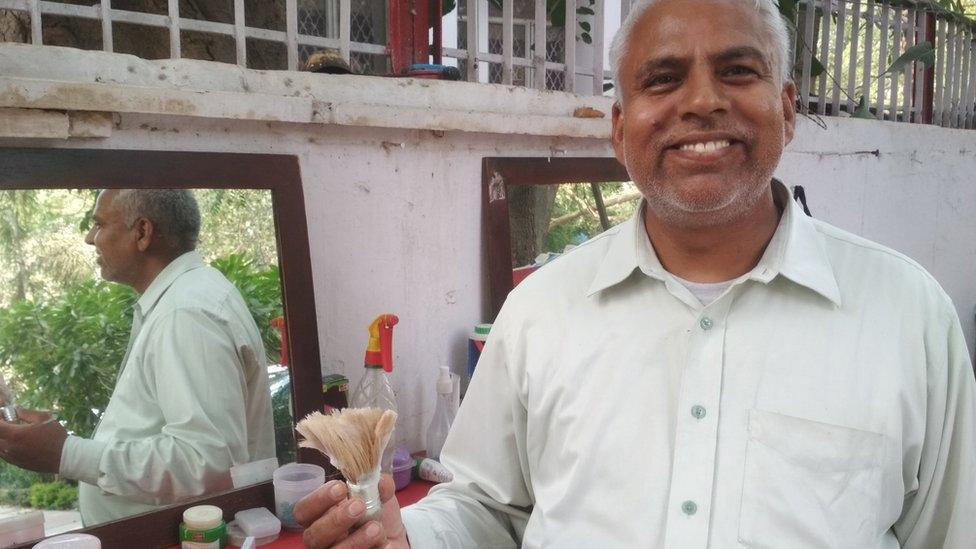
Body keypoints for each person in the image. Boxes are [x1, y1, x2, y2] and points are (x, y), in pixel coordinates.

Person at [294, 0, 976, 547]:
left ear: (788, 109)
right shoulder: (541, 311)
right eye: (663, 77)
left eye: (738, 71)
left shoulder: (908, 316)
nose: (703, 101)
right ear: (620, 129)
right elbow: (488, 509)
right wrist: (408, 535)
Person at [0, 189, 275, 525]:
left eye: (99, 224)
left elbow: (205, 462)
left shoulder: (186, 313)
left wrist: (65, 453)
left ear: (142, 233)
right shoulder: (181, 300)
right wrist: (62, 442)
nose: (90, 238)